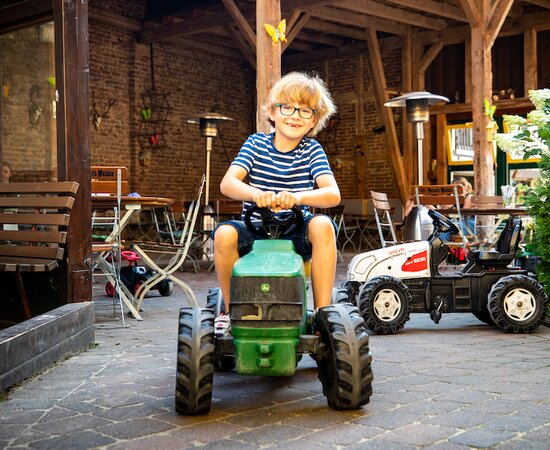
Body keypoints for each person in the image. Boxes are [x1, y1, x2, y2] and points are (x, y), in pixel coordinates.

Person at [212, 72, 340, 337]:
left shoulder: (312, 150)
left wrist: (298, 196)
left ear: (314, 119)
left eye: (305, 111)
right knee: (224, 234)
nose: (295, 116)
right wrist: (257, 194)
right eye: (288, 107)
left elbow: (332, 194)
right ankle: (230, 310)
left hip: (295, 234)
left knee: (323, 225)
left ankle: (322, 313)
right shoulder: (256, 144)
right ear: (272, 111)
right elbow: (228, 184)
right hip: (255, 231)